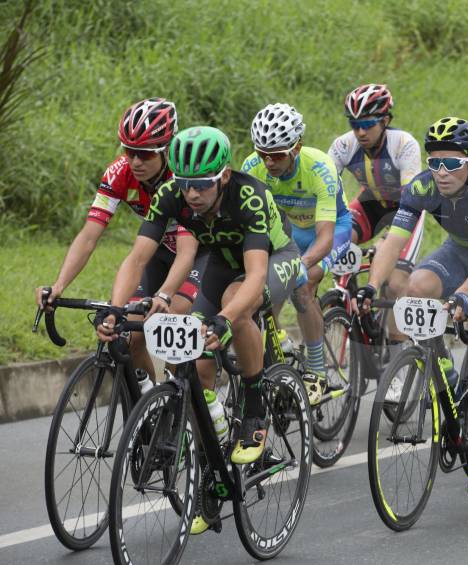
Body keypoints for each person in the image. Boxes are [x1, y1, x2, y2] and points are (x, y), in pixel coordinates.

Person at [96, 126, 300, 472]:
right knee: (192, 360)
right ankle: (211, 459)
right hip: (220, 260)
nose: (191, 193)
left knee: (237, 307)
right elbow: (137, 258)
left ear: (224, 177)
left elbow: (253, 275)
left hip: (273, 258)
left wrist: (223, 319)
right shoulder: (171, 194)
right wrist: (116, 309)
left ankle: (254, 410)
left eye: (202, 184)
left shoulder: (249, 196)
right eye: (185, 183)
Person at [356, 117, 468, 494]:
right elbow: (393, 243)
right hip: (458, 252)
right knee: (414, 286)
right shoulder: (421, 187)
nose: (442, 172)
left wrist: (464, 293)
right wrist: (370, 285)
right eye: (436, 163)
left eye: (452, 163)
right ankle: (445, 376)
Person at [37, 98, 201, 379]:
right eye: (130, 151)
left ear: (167, 150)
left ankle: (182, 404)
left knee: (168, 323)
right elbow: (90, 235)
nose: (136, 161)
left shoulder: (184, 178)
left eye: (146, 154)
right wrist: (59, 285)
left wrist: (164, 295)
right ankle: (153, 404)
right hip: (158, 254)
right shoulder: (119, 173)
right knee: (128, 334)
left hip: (198, 255)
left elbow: (187, 252)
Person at [242, 103, 352, 404]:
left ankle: (317, 372)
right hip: (290, 229)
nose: (268, 161)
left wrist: (301, 264)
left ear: (297, 147)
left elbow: (326, 237)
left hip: (331, 230)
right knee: (264, 287)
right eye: (262, 153)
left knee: (302, 287)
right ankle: (279, 343)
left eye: (276, 155)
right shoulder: (252, 167)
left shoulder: (320, 168)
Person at [329, 84, 424, 354]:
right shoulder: (344, 145)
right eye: (354, 124)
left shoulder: (404, 145)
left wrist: (387, 240)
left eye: (368, 124)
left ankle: (397, 353)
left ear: (385, 121)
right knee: (337, 243)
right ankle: (349, 310)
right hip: (370, 204)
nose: (360, 132)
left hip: (405, 211)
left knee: (395, 284)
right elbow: (325, 192)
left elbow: (410, 202)